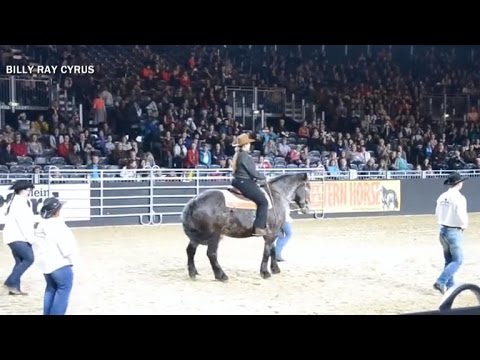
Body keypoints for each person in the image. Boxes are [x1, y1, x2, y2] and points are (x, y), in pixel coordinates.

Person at [33, 197, 78, 315]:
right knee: (63, 290)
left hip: (45, 263)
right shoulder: (57, 224)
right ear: (56, 210)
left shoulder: (42, 224)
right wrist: (71, 258)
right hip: (59, 263)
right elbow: (65, 245)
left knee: (51, 289)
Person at [433, 172, 469, 294]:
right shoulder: (459, 197)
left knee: (449, 260)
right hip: (454, 230)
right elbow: (461, 215)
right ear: (458, 183)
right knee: (458, 260)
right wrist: (464, 225)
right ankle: (441, 281)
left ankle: (450, 285)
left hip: (442, 230)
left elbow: (437, 212)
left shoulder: (442, 196)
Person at [2, 180, 36, 295]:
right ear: (22, 190)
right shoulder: (19, 203)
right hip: (17, 236)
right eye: (28, 189)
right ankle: (11, 281)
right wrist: (30, 239)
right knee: (29, 258)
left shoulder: (18, 201)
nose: (30, 191)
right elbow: (23, 223)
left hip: (14, 236)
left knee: (19, 262)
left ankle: (15, 289)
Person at [231, 133, 269, 236]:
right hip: (244, 181)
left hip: (238, 180)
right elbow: (252, 172)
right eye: (248, 144)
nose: (249, 145)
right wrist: (263, 177)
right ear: (245, 145)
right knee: (263, 202)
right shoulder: (245, 156)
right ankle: (259, 227)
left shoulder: (238, 155)